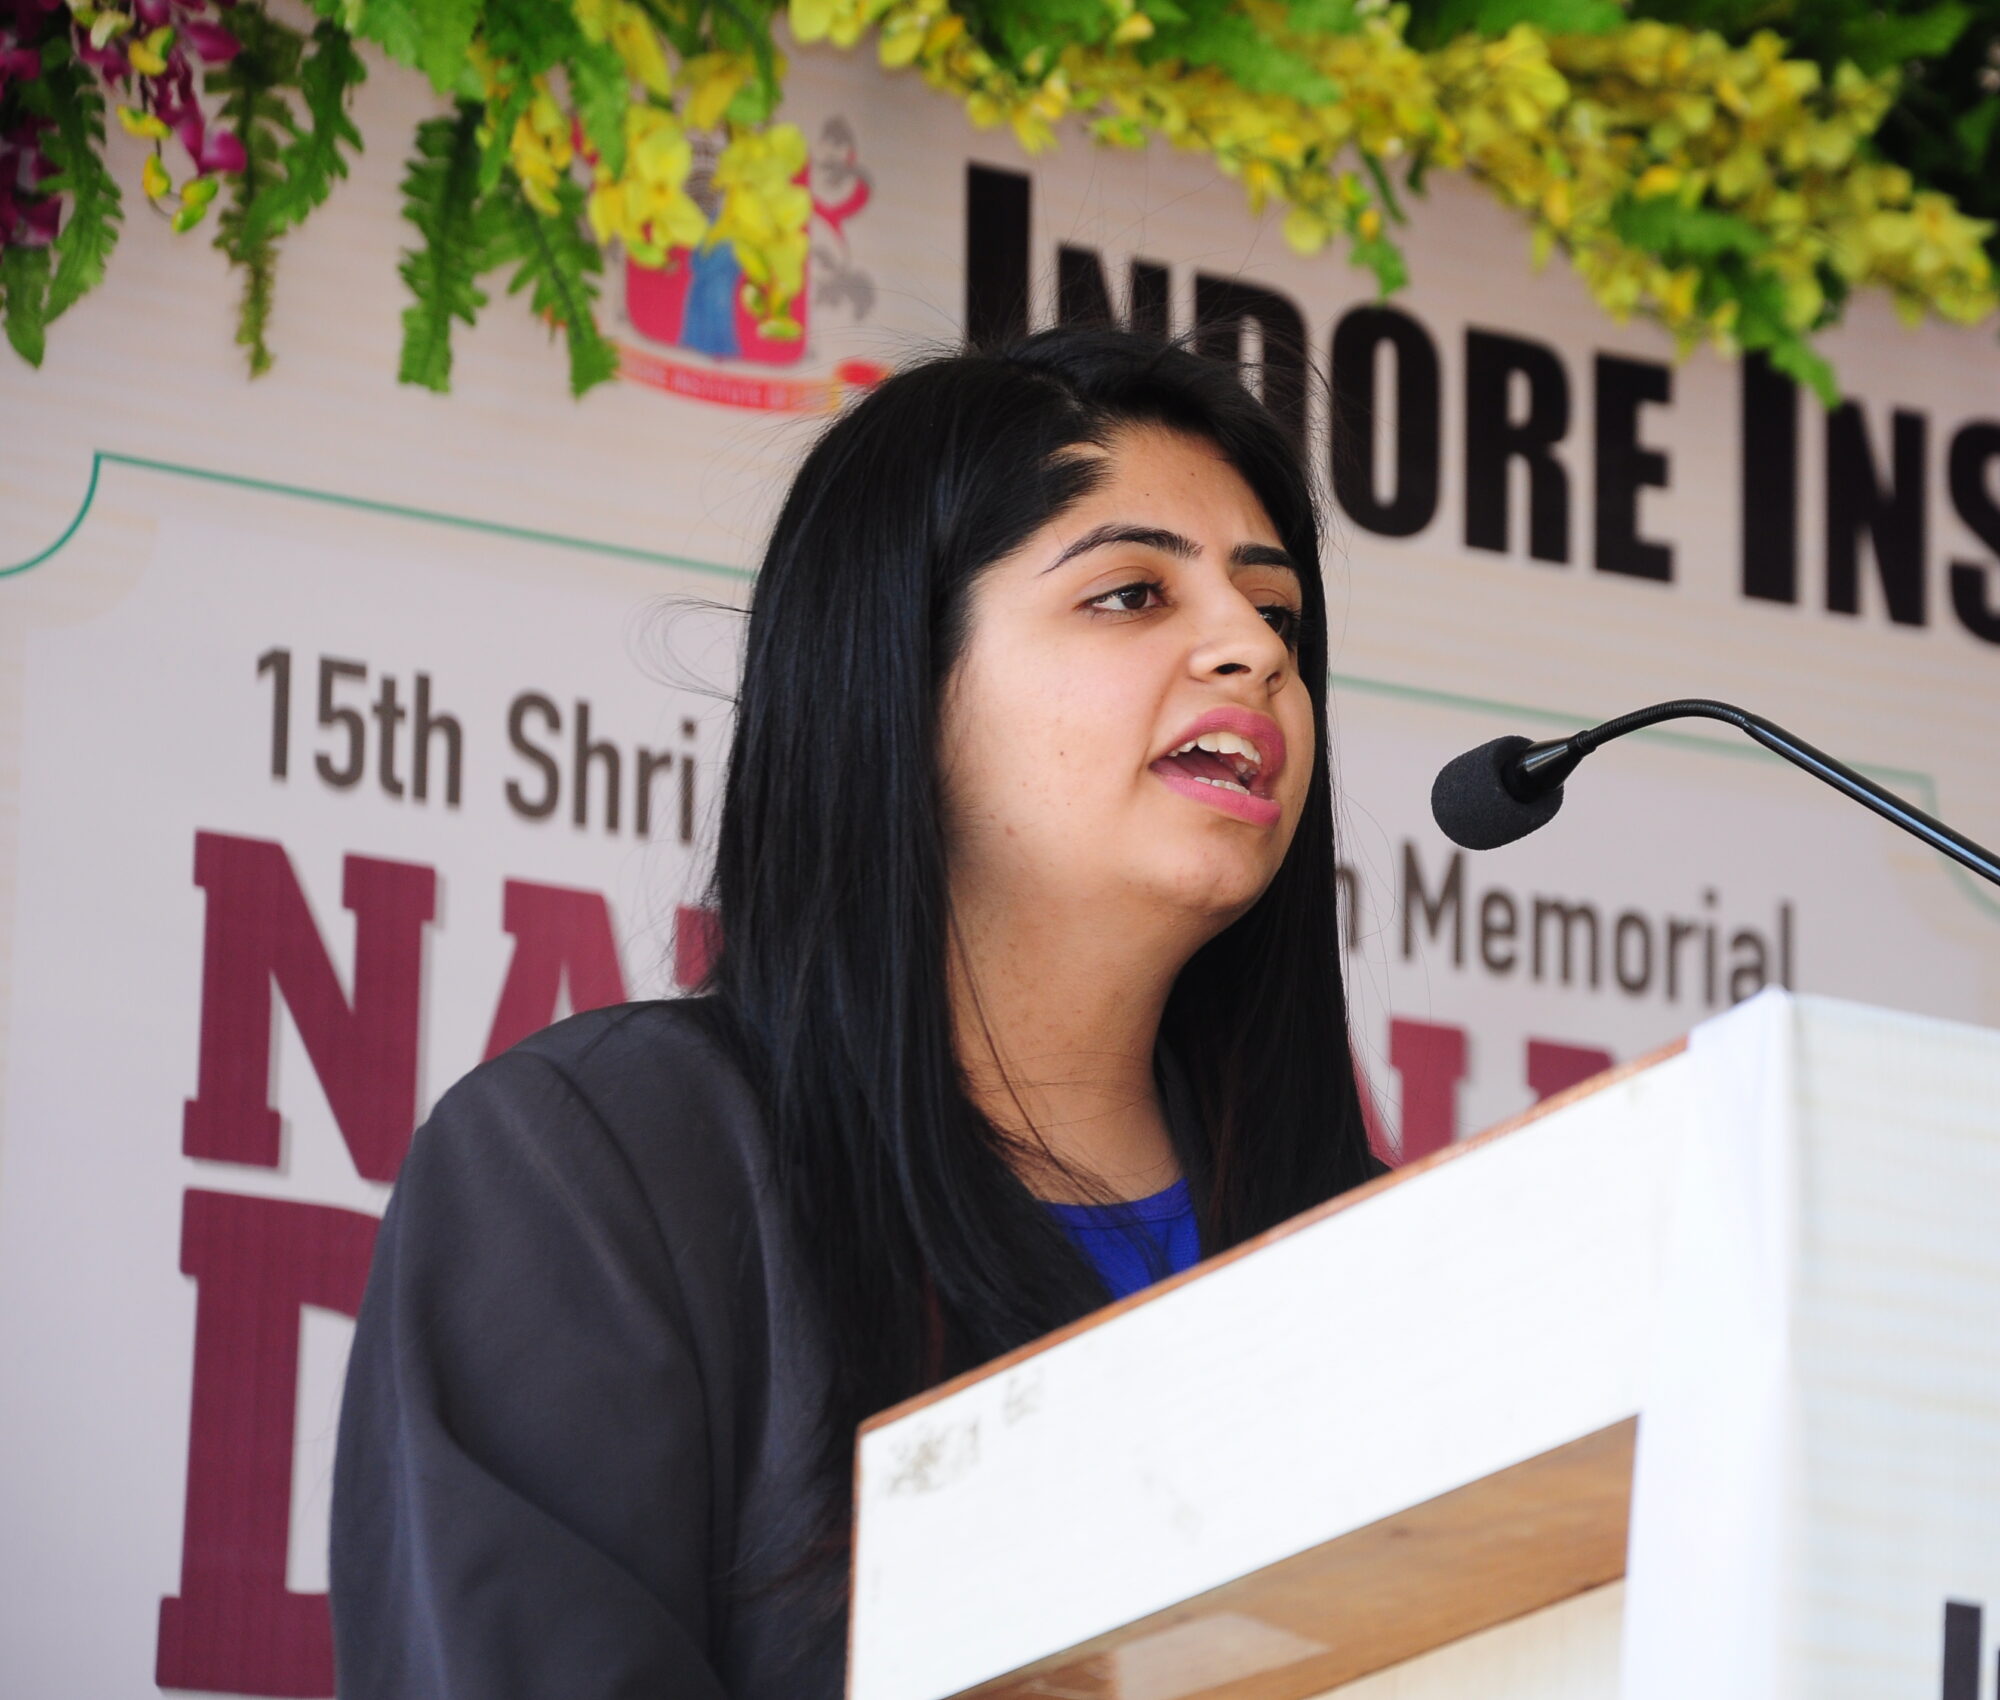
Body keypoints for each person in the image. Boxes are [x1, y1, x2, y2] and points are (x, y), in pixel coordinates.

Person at [328, 328, 1382, 1697]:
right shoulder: (595, 1164)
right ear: (897, 674)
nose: (1252, 651)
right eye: (1131, 594)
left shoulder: (1383, 1252)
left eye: (1278, 614)